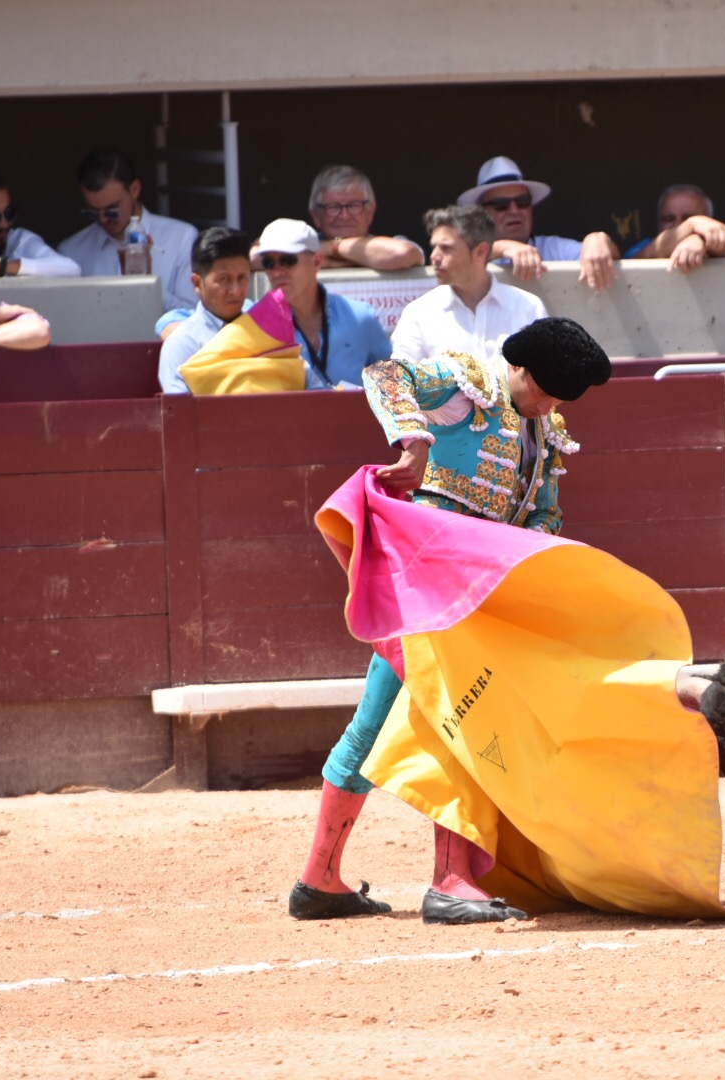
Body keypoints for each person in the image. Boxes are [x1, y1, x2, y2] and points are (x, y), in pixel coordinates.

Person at [290, 315, 613, 925]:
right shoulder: (468, 386)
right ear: (516, 366)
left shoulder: (544, 429)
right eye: (541, 391)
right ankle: (449, 881)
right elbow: (384, 373)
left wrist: (533, 556)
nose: (545, 406)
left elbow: (541, 509)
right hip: (429, 584)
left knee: (378, 722)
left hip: (479, 594)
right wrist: (413, 439)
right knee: (460, 725)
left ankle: (321, 880)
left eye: (558, 399)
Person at [178, 218, 391, 394]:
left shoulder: (361, 316)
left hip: (352, 436)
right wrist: (168, 322)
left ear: (316, 262)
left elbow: (395, 383)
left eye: (288, 260)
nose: (277, 271)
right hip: (285, 439)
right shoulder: (253, 325)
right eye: (269, 263)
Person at [390, 204, 548, 375]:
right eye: (434, 246)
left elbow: (545, 380)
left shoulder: (528, 307)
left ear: (481, 252)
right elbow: (400, 384)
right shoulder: (418, 313)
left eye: (446, 248)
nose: (434, 256)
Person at [58, 148, 199, 312]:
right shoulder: (71, 251)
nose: (103, 219)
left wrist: (147, 285)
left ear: (135, 190)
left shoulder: (181, 238)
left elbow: (192, 318)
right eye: (93, 212)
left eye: (112, 210)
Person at [458, 156, 618, 290]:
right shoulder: (467, 256)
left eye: (522, 202)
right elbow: (454, 262)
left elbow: (613, 256)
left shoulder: (553, 248)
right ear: (482, 214)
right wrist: (502, 247)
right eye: (501, 205)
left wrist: (598, 239)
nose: (514, 211)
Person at [156, 228, 253, 393]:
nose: (236, 290)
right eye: (224, 279)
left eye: (242, 278)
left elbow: (309, 386)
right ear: (197, 283)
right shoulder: (182, 345)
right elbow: (179, 412)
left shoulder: (266, 330)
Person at [0, 165, 80, 279]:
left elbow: (71, 270)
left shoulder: (19, 240)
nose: (4, 224)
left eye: (9, 213)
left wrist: (1, 266)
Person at [308, 165, 425, 271]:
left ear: (370, 212)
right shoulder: (298, 247)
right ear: (316, 215)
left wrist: (332, 247)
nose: (345, 216)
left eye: (354, 205)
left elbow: (403, 254)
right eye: (333, 207)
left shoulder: (389, 244)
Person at [627, 184, 725, 273]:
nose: (678, 224)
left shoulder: (716, 245)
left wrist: (701, 240)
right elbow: (637, 260)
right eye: (668, 218)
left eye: (687, 217)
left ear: (709, 221)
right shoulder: (644, 246)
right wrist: (692, 224)